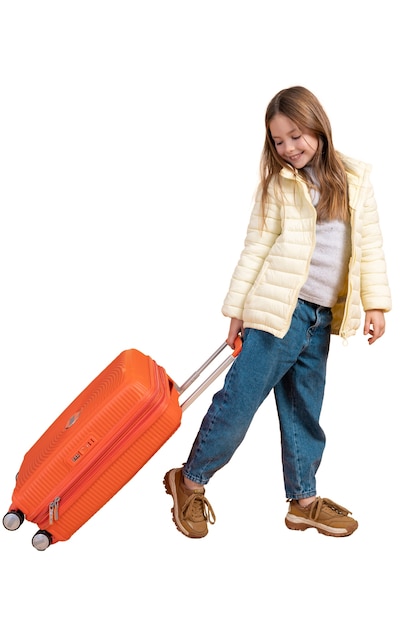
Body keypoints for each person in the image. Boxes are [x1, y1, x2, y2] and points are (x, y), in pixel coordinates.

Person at [164, 85, 391, 539]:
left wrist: (376, 303)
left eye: (295, 135)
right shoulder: (278, 186)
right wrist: (237, 311)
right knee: (237, 405)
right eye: (278, 141)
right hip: (275, 317)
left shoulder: (356, 179)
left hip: (321, 319)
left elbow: (369, 246)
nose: (288, 148)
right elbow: (256, 249)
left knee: (304, 411)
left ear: (317, 127)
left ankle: (303, 500)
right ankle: (188, 481)